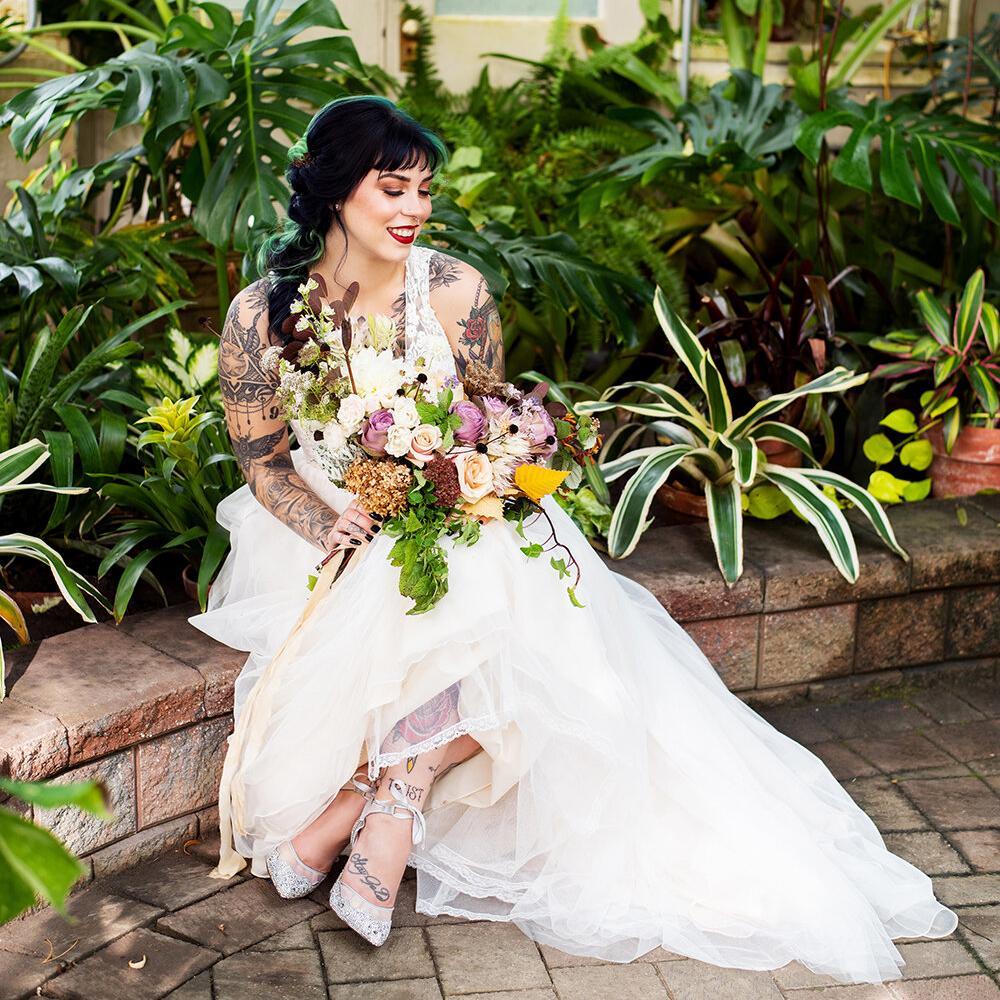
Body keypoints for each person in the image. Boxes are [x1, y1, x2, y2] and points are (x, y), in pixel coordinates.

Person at [187, 95, 958, 982]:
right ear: (333, 191)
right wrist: (331, 523)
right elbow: (264, 462)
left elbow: (489, 425)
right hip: (334, 531)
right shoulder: (261, 315)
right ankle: (373, 791)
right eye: (393, 189)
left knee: (500, 579)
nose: (415, 210)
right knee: (472, 597)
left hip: (460, 513)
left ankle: (391, 791)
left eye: (424, 191)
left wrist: (498, 464)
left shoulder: (455, 292)